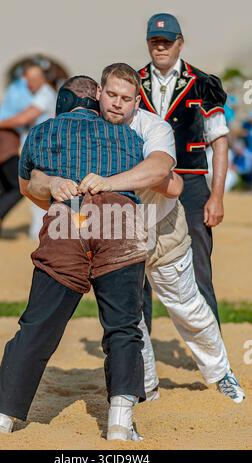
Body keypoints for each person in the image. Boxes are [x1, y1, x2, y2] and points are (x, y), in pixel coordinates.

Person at [29, 64, 245, 406]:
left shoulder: (152, 126)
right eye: (111, 95)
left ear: (136, 101)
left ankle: (221, 374)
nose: (117, 103)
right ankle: (145, 386)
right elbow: (38, 176)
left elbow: (163, 172)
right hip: (116, 231)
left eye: (125, 98)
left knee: (188, 308)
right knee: (129, 316)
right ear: (99, 94)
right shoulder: (87, 128)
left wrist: (109, 181)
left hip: (162, 228)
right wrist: (50, 184)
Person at [0, 69, 175, 441]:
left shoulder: (44, 131)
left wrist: (52, 182)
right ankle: (120, 422)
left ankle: (1, 417)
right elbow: (166, 175)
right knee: (123, 326)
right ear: (98, 98)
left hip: (67, 220)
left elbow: (28, 187)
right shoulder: (129, 133)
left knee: (38, 324)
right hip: (121, 222)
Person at [138, 13, 229, 327]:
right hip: (143, 186)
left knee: (199, 268)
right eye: (155, 41)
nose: (160, 47)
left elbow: (219, 142)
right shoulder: (132, 82)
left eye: (166, 41)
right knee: (136, 268)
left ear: (180, 43)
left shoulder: (204, 84)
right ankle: (136, 354)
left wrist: (216, 196)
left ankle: (215, 359)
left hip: (190, 185)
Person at [0, 60, 57, 241]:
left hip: (43, 151)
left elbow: (25, 118)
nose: (28, 85)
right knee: (33, 189)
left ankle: (40, 231)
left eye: (31, 80)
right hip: (36, 151)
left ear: (39, 79)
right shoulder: (39, 94)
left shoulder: (45, 94)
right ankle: (38, 231)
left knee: (38, 189)